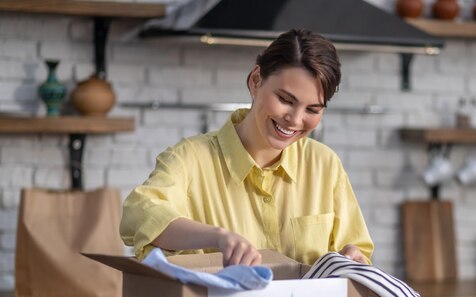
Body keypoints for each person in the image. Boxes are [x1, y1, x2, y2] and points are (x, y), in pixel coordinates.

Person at [120, 28, 373, 267]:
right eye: (285, 100)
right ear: (255, 81)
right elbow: (139, 215)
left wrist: (353, 257)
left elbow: (357, 251)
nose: (295, 120)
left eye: (312, 110)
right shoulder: (190, 158)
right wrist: (218, 237)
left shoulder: (324, 165)